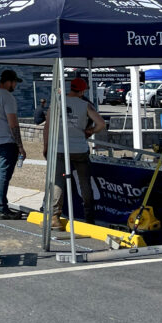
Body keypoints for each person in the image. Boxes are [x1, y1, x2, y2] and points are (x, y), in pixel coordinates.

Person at [43, 77, 106, 229]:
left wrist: (46, 146)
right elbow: (101, 124)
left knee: (58, 182)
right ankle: (89, 217)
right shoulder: (85, 105)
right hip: (80, 149)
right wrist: (90, 131)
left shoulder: (57, 102)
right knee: (84, 182)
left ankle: (55, 217)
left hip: (59, 148)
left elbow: (47, 126)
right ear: (82, 91)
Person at [0, 69, 26, 219]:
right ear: (9, 82)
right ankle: (1, 208)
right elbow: (13, 123)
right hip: (6, 140)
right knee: (3, 174)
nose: (15, 86)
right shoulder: (7, 97)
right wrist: (20, 145)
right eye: (14, 83)